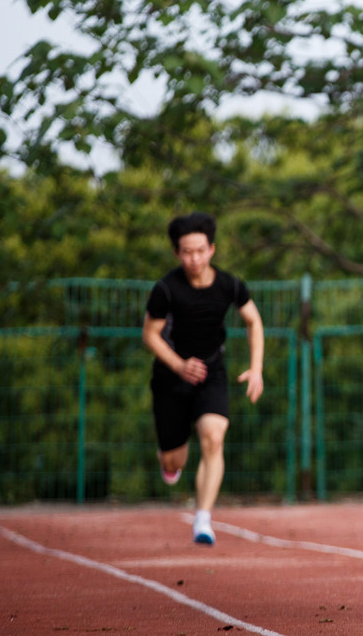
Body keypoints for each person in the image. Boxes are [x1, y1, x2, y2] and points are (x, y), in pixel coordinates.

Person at [142, 211, 264, 545]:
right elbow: (150, 334)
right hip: (171, 377)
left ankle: (203, 519)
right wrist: (180, 365)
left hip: (212, 372)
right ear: (176, 254)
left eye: (200, 251)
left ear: (211, 249)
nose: (194, 258)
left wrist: (256, 368)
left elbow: (253, 321)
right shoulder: (165, 289)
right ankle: (169, 460)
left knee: (214, 436)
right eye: (186, 252)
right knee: (174, 458)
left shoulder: (230, 285)